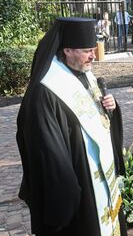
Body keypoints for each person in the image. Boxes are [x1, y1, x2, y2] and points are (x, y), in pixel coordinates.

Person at [16, 17, 126, 236]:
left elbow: (98, 120)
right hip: (80, 184)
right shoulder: (46, 90)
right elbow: (48, 151)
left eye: (93, 49)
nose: (94, 56)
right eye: (87, 50)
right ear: (67, 50)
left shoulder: (84, 72)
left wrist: (111, 109)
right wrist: (68, 194)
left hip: (100, 176)